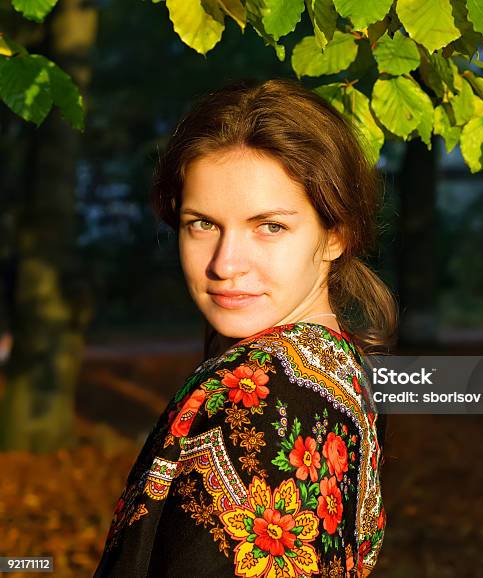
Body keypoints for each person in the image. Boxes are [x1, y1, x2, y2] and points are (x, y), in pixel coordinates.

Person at [94, 78, 398, 578]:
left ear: (336, 234)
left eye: (270, 226)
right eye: (203, 224)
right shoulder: (344, 369)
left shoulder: (254, 390)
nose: (225, 263)